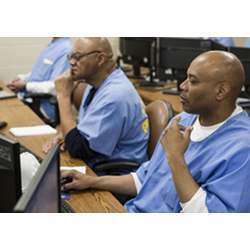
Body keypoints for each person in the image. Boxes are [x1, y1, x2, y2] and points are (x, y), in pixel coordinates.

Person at [61, 50, 250, 213]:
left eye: (193, 81)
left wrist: (175, 157)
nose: (182, 86)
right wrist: (91, 182)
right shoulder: (183, 120)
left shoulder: (242, 147)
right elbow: (146, 179)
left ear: (221, 91)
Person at [44, 37, 149, 172]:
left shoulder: (115, 95)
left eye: (77, 57)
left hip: (113, 176)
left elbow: (79, 149)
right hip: (96, 163)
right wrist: (65, 134)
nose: (71, 62)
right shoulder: (96, 83)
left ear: (100, 59)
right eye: (70, 56)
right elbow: (84, 131)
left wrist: (63, 96)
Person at [7, 37, 72, 123]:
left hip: (43, 108)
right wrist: (21, 78)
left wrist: (26, 85)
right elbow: (39, 74)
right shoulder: (53, 45)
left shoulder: (66, 49)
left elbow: (56, 86)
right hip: (29, 99)